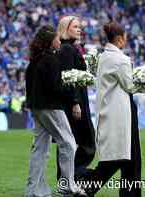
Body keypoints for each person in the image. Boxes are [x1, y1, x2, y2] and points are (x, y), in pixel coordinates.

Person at [24, 25, 87, 197]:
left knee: (40, 149)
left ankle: (34, 190)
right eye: (57, 39)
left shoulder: (35, 59)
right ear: (50, 41)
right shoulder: (51, 60)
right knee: (68, 144)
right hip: (51, 107)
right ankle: (68, 185)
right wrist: (70, 85)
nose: (59, 41)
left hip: (36, 107)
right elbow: (55, 86)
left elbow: (29, 85)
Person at [85, 22, 143, 197]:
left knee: (128, 158)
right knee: (119, 159)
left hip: (110, 110)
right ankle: (86, 187)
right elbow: (131, 86)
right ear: (119, 38)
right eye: (125, 37)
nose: (126, 40)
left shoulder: (103, 57)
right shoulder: (121, 60)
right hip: (122, 114)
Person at [56, 15, 96, 180]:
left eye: (80, 27)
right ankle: (74, 175)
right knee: (86, 142)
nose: (79, 29)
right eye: (75, 27)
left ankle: (67, 178)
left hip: (77, 100)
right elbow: (68, 77)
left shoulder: (70, 48)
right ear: (65, 29)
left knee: (71, 142)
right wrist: (75, 103)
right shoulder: (67, 49)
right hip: (75, 102)